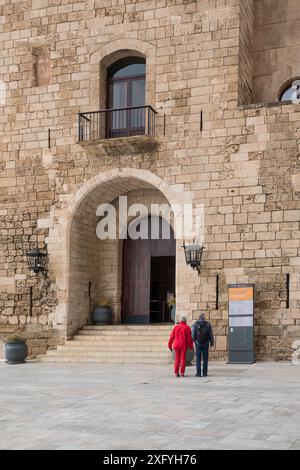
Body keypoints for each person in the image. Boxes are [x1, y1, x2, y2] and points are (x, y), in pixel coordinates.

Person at [192, 313, 214, 377]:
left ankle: (198, 373)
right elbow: (211, 334)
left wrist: (194, 341)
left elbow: (193, 334)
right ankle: (205, 373)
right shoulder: (208, 324)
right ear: (204, 318)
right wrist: (212, 343)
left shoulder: (195, 324)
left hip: (198, 343)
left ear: (199, 318)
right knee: (205, 358)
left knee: (198, 359)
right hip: (206, 343)